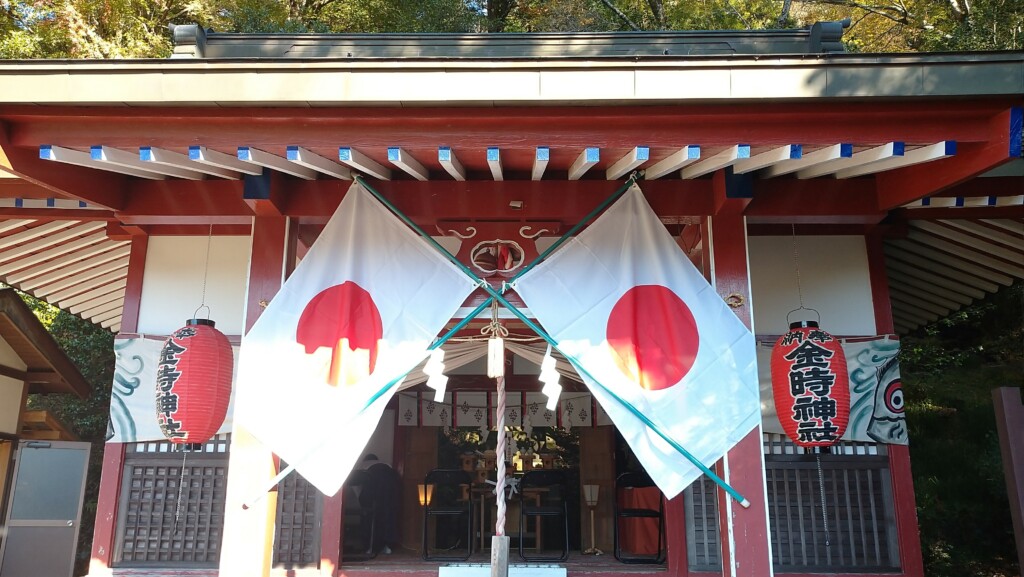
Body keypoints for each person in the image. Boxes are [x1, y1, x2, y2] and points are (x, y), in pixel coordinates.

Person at [359, 454, 401, 555]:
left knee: (371, 515)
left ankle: (370, 547)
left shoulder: (362, 465)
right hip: (392, 481)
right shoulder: (386, 464)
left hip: (373, 482)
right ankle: (388, 545)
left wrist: (361, 503)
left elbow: (358, 488)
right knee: (389, 513)